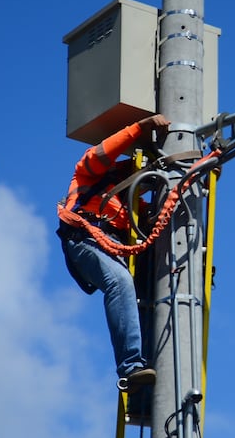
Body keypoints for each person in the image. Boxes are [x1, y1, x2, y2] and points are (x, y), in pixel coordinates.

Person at [57, 113, 171, 389]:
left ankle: (147, 363)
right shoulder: (88, 174)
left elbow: (160, 215)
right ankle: (131, 366)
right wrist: (139, 127)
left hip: (111, 246)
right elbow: (103, 152)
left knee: (138, 288)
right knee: (119, 282)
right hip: (85, 238)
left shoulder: (129, 206)